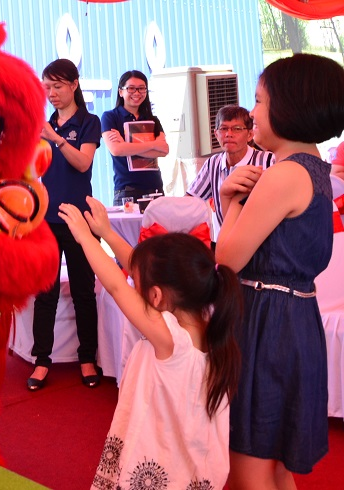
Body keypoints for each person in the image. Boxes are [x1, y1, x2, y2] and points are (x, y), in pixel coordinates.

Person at [215, 53, 344, 488]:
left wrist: (231, 199)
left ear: (290, 107)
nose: (251, 114)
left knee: (249, 466)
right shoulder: (314, 169)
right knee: (273, 464)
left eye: (259, 102)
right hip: (291, 319)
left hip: (267, 325)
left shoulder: (283, 175)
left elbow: (225, 259)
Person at [59, 197, 241, 490]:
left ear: (155, 297)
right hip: (194, 463)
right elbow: (138, 268)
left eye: (139, 285)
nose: (134, 284)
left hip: (161, 465)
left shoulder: (170, 338)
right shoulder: (208, 320)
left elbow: (117, 285)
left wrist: (84, 238)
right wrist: (106, 232)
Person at [27, 59, 101, 390]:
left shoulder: (89, 122)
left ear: (74, 85)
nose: (52, 93)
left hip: (80, 220)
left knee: (84, 291)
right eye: (47, 88)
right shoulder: (44, 125)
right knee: (46, 292)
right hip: (47, 219)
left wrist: (56, 139)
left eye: (57, 86)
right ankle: (41, 360)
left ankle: (88, 358)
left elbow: (83, 163)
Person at [186, 105, 274, 234]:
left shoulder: (268, 161)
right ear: (216, 134)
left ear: (250, 135)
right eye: (223, 128)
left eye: (237, 129)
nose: (229, 134)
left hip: (262, 239)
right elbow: (190, 201)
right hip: (227, 239)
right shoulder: (213, 163)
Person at [101, 70, 169, 205]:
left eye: (142, 88)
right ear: (121, 92)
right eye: (131, 88)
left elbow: (164, 150)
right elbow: (116, 150)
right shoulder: (110, 117)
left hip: (155, 188)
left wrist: (126, 145)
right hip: (127, 190)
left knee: (157, 227)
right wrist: (153, 144)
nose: (137, 93)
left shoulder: (152, 119)